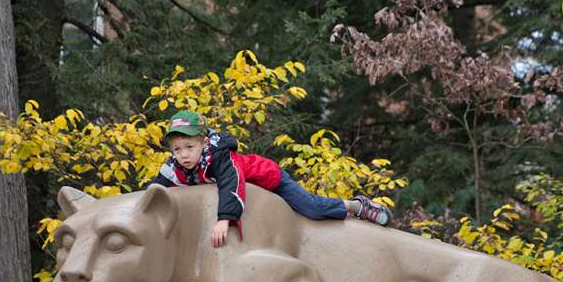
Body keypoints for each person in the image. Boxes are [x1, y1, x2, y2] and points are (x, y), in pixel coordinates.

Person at [148, 110, 392, 247]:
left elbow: (231, 184)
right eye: (177, 149)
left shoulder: (220, 157)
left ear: (203, 142)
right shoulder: (175, 167)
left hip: (270, 181)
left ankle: (357, 206)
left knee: (311, 208)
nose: (183, 155)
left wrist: (225, 220)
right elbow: (153, 192)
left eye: (189, 146)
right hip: (256, 204)